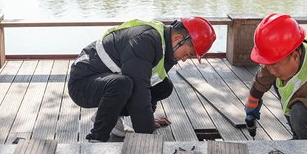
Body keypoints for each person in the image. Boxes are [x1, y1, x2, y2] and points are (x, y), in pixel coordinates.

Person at [68, 17, 216, 143]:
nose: (184, 60)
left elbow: (150, 82)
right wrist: (148, 137)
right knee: (122, 84)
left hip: (107, 81)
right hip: (82, 84)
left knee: (164, 86)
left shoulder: (166, 46)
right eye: (188, 54)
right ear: (178, 39)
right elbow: (139, 90)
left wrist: (148, 119)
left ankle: (110, 116)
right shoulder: (145, 41)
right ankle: (97, 138)